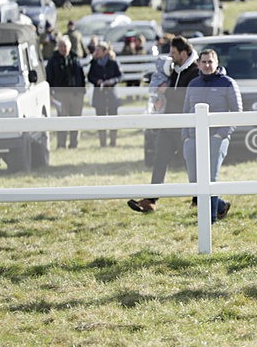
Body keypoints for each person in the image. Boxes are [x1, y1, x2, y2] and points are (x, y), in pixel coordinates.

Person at [128, 36, 199, 214]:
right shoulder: (174, 69)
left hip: (185, 127)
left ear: (184, 53)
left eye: (174, 53)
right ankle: (151, 200)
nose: (171, 56)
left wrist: (166, 91)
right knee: (159, 160)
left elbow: (186, 98)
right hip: (168, 125)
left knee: (191, 165)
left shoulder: (195, 72)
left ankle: (199, 199)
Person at [182, 49, 242, 223]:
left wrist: (221, 134)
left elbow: (237, 112)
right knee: (194, 179)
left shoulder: (228, 83)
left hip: (217, 137)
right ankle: (221, 205)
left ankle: (210, 218)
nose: (207, 65)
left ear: (217, 63)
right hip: (193, 138)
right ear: (199, 64)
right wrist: (185, 136)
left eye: (210, 62)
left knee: (211, 176)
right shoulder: (193, 84)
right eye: (204, 62)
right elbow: (186, 111)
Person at [45, 36, 86, 149]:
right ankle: (61, 144)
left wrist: (82, 91)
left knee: (76, 120)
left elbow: (81, 76)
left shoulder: (75, 58)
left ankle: (74, 143)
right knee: (62, 120)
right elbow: (49, 78)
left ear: (69, 47)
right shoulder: (53, 60)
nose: (63, 48)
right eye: (61, 46)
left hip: (76, 94)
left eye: (65, 46)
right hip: (60, 94)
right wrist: (50, 94)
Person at [86, 41, 123, 147]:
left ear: (105, 51)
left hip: (111, 94)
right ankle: (102, 143)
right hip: (99, 94)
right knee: (100, 119)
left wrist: (110, 82)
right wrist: (97, 81)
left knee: (113, 119)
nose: (96, 52)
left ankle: (113, 142)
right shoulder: (94, 63)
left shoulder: (113, 62)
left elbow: (120, 76)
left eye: (98, 50)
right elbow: (90, 76)